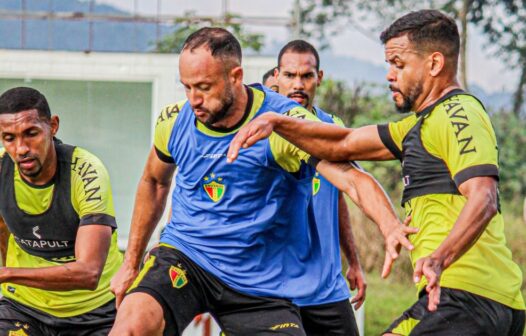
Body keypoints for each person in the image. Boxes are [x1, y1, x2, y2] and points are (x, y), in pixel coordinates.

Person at [228, 9, 526, 336]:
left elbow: (483, 196)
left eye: (399, 64)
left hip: (469, 296)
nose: (389, 75)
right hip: (468, 299)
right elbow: (344, 144)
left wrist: (440, 258)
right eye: (388, 65)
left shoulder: (458, 113)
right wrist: (278, 121)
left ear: (435, 64)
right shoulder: (417, 125)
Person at [109, 27, 411, 336]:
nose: (193, 100)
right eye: (186, 87)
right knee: (132, 326)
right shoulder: (174, 121)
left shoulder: (282, 125)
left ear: (236, 76)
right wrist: (130, 263)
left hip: (257, 284)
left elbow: (349, 178)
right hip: (188, 256)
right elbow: (154, 182)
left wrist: (388, 224)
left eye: (203, 87)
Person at [0, 87, 122, 335]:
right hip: (22, 306)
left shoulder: (87, 172)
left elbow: (89, 272)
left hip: (95, 311)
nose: (21, 148)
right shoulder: (2, 169)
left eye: (31, 133)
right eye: (9, 138)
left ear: (53, 126)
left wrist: (7, 274)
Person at [275, 39, 365, 335]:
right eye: (289, 75)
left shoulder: (333, 127)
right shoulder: (260, 130)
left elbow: (338, 196)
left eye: (306, 76)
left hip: (329, 291)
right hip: (276, 291)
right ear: (277, 77)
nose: (298, 84)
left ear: (319, 78)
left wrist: (354, 261)